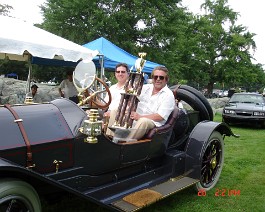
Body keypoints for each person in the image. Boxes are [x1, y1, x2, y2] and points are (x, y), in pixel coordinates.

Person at [107, 66, 175, 140]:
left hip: (152, 122)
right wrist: (130, 97)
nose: (158, 79)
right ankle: (110, 139)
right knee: (114, 111)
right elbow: (134, 100)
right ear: (152, 78)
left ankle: (125, 144)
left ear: (166, 79)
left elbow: (160, 116)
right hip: (135, 117)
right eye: (155, 77)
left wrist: (140, 117)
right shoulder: (146, 88)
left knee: (143, 121)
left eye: (161, 77)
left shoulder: (169, 95)